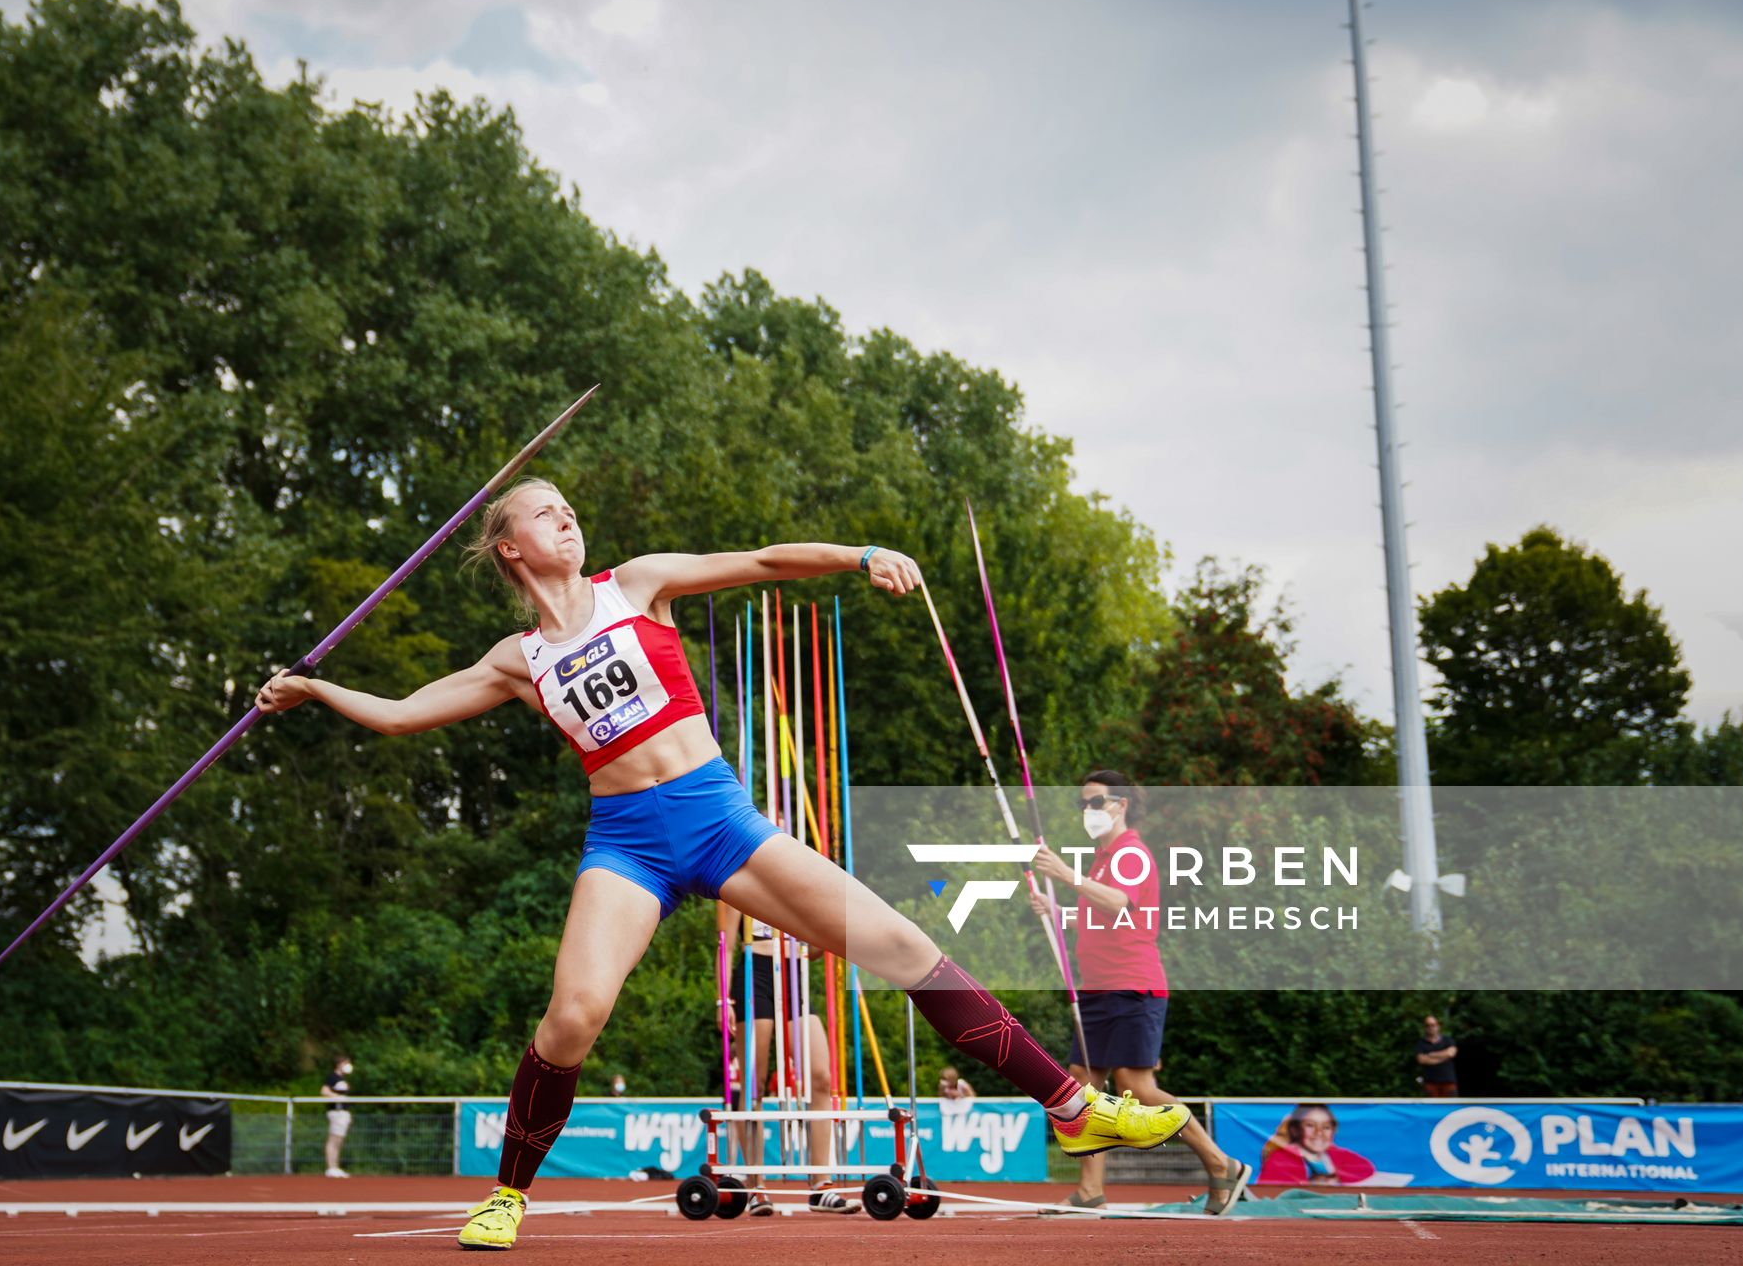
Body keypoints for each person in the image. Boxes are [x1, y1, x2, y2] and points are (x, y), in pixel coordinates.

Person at [255, 479, 1196, 1252]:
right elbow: (403, 709)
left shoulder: (641, 583)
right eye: (544, 512)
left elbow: (760, 562)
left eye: (571, 506)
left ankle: (1072, 1107)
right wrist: (313, 687)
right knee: (573, 1016)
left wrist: (857, 556)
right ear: (510, 549)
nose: (568, 516)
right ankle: (506, 1194)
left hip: (721, 822)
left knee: (902, 944)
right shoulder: (518, 658)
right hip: (626, 843)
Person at [1029, 772, 1250, 1215]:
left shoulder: (1131, 853)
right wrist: (1059, 913)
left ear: (1120, 804)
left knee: (1137, 1087)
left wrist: (1065, 875)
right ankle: (1090, 1190)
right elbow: (1102, 917)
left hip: (1131, 987)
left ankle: (1221, 1162)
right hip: (1097, 991)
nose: (1086, 812)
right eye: (1082, 804)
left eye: (1095, 803)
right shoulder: (1104, 858)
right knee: (1081, 1092)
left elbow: (1121, 904)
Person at [717, 906, 859, 1214]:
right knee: (754, 1084)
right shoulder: (739, 879)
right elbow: (726, 945)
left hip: (796, 973)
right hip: (756, 973)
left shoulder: (794, 879)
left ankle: (821, 1184)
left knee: (821, 1077)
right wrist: (723, 999)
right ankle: (757, 1188)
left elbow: (816, 949)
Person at [1260, 1103, 1375, 1185]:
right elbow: (1269, 1187)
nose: (1319, 1133)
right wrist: (1309, 1183)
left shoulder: (1336, 1154)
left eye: (1326, 1127)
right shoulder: (1281, 1157)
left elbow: (1366, 1168)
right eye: (1310, 1125)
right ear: (1295, 1130)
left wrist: (1335, 1177)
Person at [321, 1053, 354, 1178]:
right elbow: (324, 1091)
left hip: (343, 1112)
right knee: (333, 1139)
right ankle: (330, 1167)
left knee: (339, 1140)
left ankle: (335, 1167)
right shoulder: (332, 1077)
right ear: (339, 1064)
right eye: (346, 1063)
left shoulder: (343, 1079)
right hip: (336, 1112)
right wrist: (337, 1098)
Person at [1415, 1015, 1458, 1097]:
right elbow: (1421, 1060)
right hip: (1430, 1083)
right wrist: (1444, 1057)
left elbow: (1450, 1053)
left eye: (1433, 1025)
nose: (1430, 1027)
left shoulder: (1448, 1040)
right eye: (1427, 1025)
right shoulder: (1421, 1043)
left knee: (1451, 1107)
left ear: (1438, 1026)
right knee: (1431, 1108)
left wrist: (1431, 1055)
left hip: (1448, 1081)